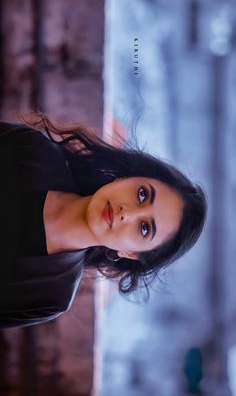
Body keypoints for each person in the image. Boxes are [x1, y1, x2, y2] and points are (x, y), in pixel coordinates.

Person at [0, 112, 207, 328]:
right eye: (142, 194)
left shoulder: (51, 295)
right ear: (126, 178)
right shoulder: (34, 151)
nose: (127, 213)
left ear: (131, 253)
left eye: (144, 228)